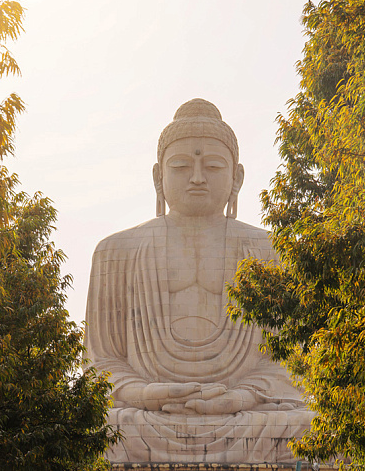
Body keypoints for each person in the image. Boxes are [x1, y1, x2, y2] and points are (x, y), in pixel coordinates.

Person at [85, 99, 314, 463]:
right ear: (158, 177)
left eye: (213, 166)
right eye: (180, 166)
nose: (196, 177)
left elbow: (288, 363)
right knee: (95, 429)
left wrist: (239, 398)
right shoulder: (116, 250)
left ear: (237, 177)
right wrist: (147, 395)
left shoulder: (272, 251)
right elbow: (101, 364)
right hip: (145, 419)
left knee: (309, 430)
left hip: (247, 416)